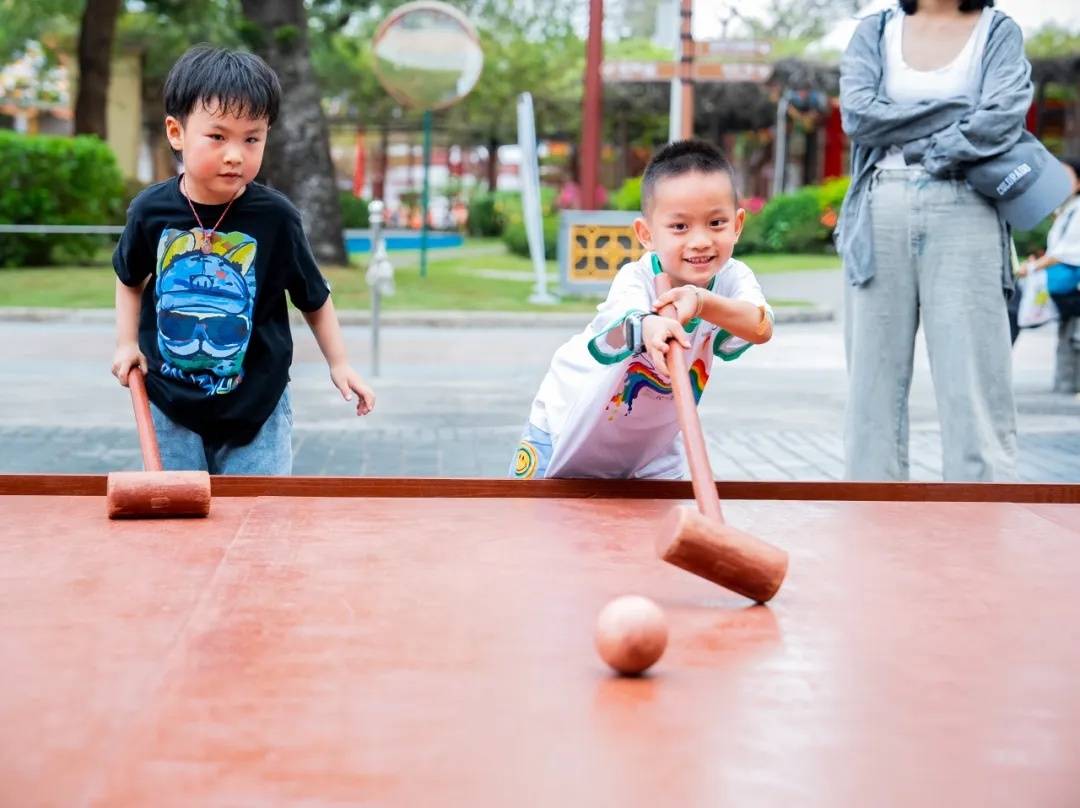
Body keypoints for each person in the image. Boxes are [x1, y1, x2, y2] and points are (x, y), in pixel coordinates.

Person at [111, 45, 375, 475]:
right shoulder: (150, 212)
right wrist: (126, 344)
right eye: (218, 137)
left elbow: (314, 298)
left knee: (260, 519)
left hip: (258, 410)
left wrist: (340, 363)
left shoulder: (276, 218)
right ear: (176, 133)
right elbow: (129, 278)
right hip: (169, 406)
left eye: (252, 138)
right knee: (181, 526)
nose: (236, 153)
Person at [837, 0, 1038, 482]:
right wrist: (958, 112)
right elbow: (859, 117)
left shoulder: (998, 31)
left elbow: (1003, 117)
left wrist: (916, 141)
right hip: (879, 205)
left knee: (972, 380)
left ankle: (981, 517)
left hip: (968, 205)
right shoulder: (875, 30)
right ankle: (872, 515)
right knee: (872, 383)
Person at [511, 140, 773, 480]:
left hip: (651, 451)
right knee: (533, 522)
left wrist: (700, 301)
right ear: (646, 233)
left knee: (660, 529)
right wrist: (651, 326)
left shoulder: (732, 279)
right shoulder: (636, 279)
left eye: (716, 223)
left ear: (737, 224)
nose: (700, 241)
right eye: (680, 227)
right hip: (566, 430)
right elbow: (632, 320)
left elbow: (760, 326)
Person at [1019, 158, 1080, 392]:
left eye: (1067, 176)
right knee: (1069, 334)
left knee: (1074, 337)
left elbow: (1067, 251)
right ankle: (1067, 388)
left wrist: (1032, 267)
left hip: (1073, 284)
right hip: (1067, 285)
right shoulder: (1067, 210)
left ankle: (1070, 388)